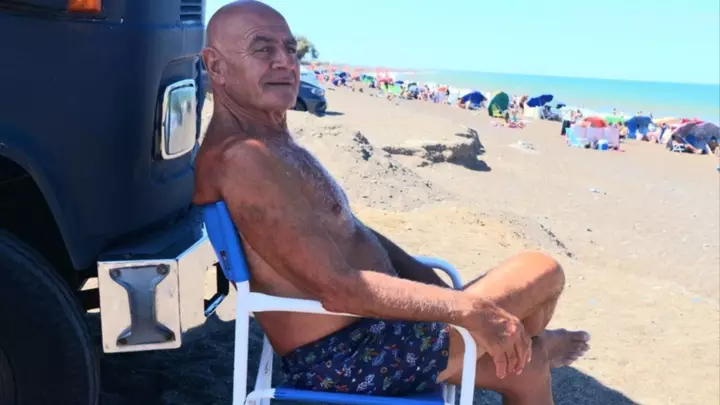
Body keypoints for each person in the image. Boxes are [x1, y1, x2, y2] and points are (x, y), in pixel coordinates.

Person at [193, 2, 590, 404]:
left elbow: (349, 230)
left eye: (290, 49)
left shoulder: (268, 142)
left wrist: (429, 283)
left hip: (372, 333)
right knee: (542, 269)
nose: (285, 62)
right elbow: (339, 289)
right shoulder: (243, 160)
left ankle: (536, 347)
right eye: (263, 49)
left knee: (528, 368)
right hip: (348, 359)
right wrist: (466, 308)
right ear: (216, 66)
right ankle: (537, 341)